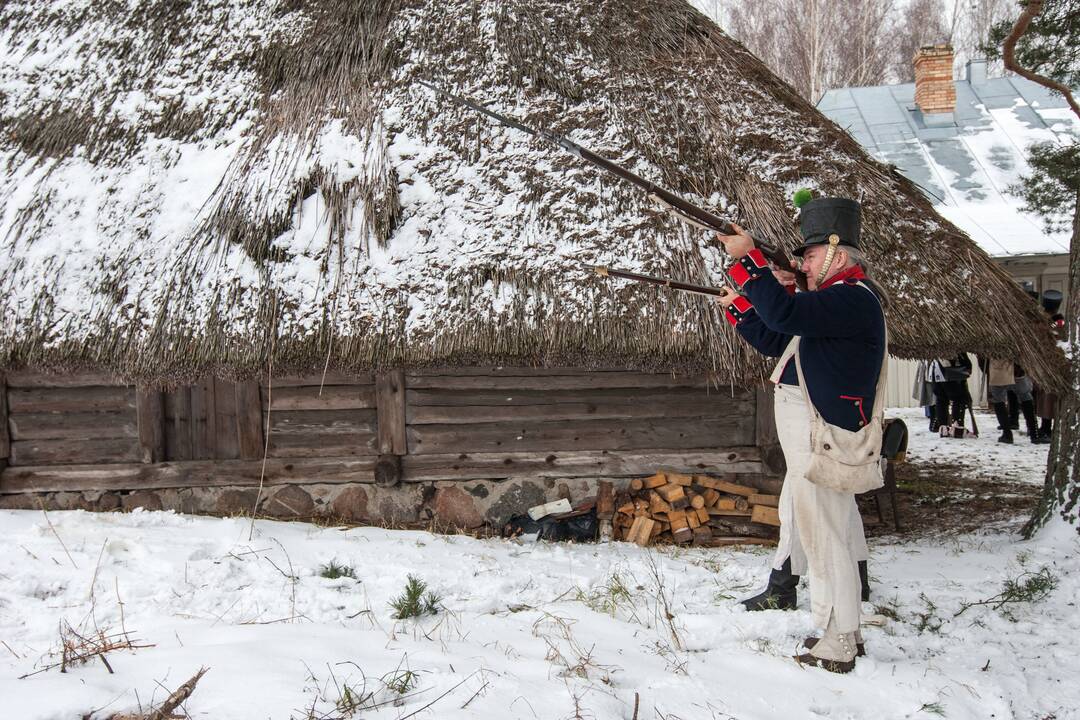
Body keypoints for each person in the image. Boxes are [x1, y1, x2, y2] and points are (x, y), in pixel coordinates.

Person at [716, 197, 886, 674]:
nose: (802, 262)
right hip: (812, 439)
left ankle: (837, 642)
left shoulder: (851, 297)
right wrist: (741, 307)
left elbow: (788, 315)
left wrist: (748, 260)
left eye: (809, 256)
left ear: (838, 253)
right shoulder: (831, 303)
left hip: (823, 437)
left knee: (825, 538)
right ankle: (841, 631)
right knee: (820, 534)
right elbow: (776, 337)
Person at [928, 354, 972, 433]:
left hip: (935, 373)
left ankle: (943, 427)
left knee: (941, 400)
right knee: (959, 399)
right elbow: (963, 359)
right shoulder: (954, 345)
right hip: (950, 373)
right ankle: (956, 426)